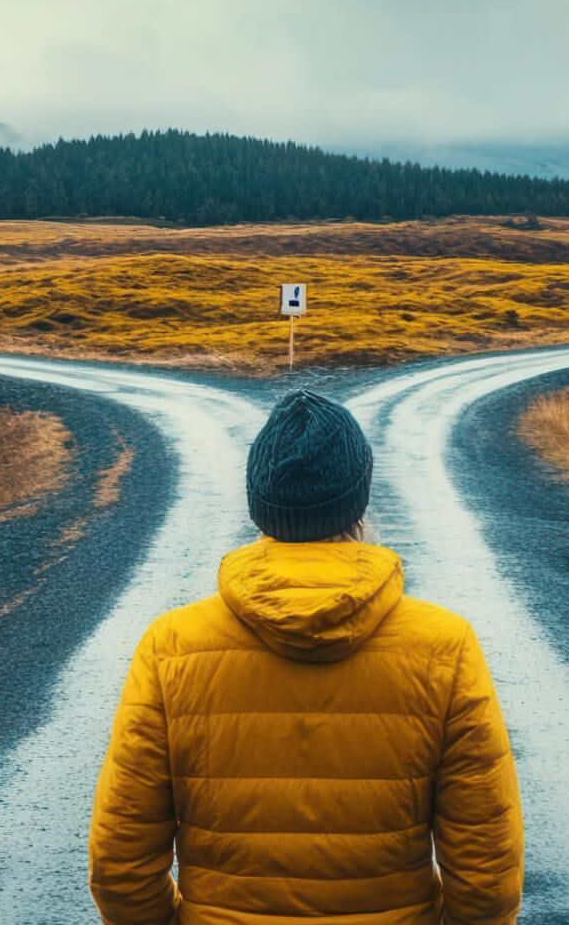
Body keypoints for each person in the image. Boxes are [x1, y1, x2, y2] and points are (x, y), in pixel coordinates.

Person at [89, 389, 524, 925]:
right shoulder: (444, 646)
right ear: (358, 500)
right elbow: (486, 871)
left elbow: (120, 865)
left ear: (260, 502)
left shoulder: (172, 646)